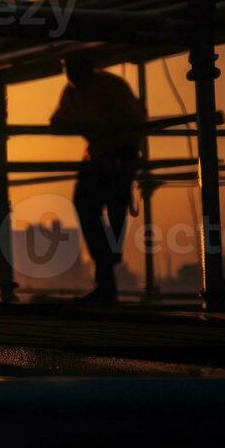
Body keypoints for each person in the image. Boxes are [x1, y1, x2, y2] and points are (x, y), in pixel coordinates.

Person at [49, 53, 147, 304]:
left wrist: (96, 127)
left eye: (73, 68)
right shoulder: (73, 92)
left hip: (119, 154)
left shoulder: (110, 87)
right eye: (67, 68)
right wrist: (87, 126)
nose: (70, 74)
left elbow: (133, 120)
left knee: (111, 210)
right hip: (97, 156)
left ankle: (107, 276)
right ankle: (107, 271)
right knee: (87, 207)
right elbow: (56, 121)